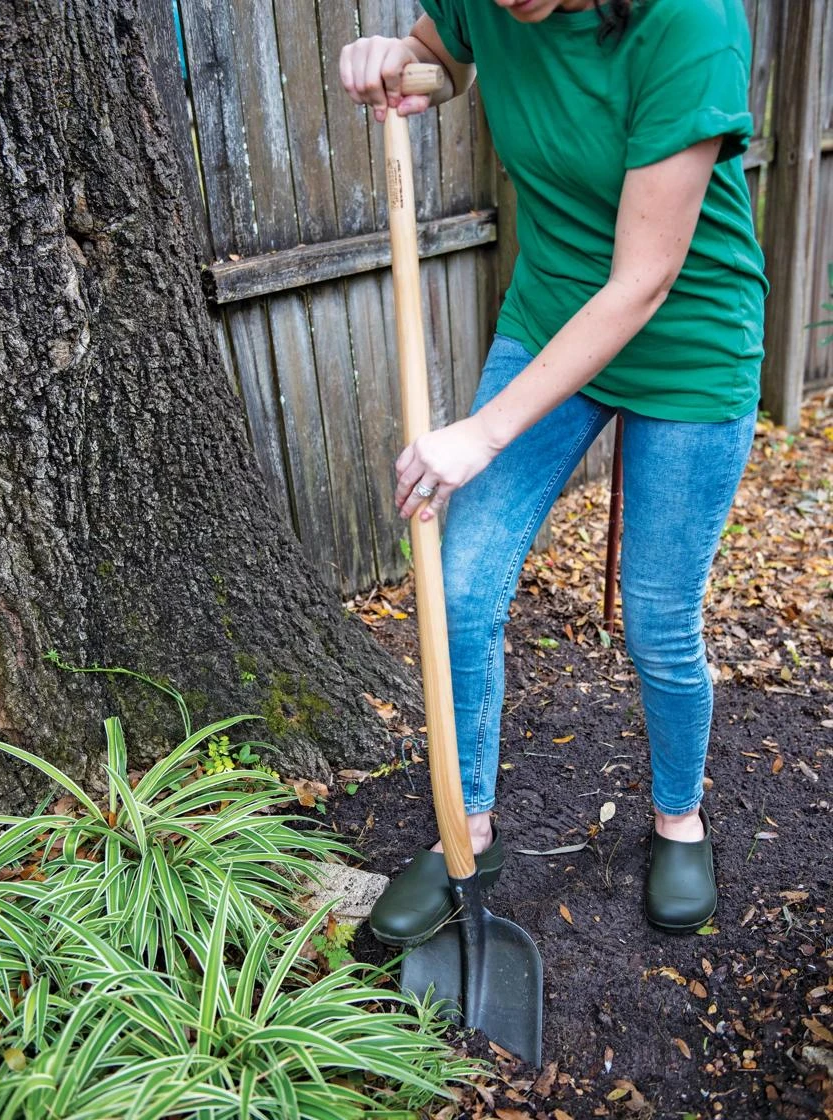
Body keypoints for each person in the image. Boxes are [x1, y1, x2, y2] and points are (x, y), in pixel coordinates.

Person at [339, 0, 766, 940]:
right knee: (460, 586)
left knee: (659, 621)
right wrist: (396, 60)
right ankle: (468, 827)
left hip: (688, 347)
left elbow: (642, 281)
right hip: (551, 322)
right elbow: (441, 58)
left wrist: (483, 432)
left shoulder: (690, 23)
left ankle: (679, 818)